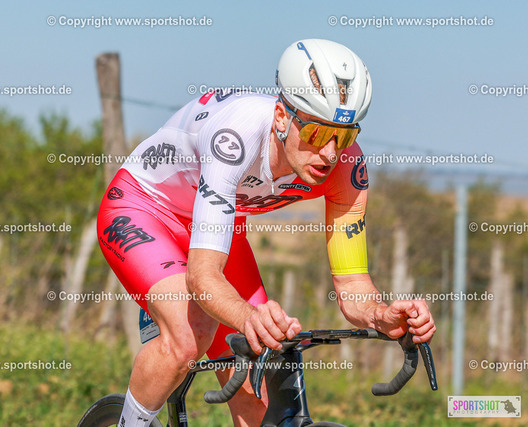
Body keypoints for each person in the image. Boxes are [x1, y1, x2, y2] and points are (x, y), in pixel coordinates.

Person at [97, 39, 436, 426]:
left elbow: (352, 284)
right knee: (191, 336)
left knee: (261, 380)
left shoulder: (347, 168)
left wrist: (379, 314)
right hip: (143, 209)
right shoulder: (236, 136)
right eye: (317, 133)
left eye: (344, 136)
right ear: (281, 117)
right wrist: (247, 316)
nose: (330, 153)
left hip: (217, 226)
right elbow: (203, 276)